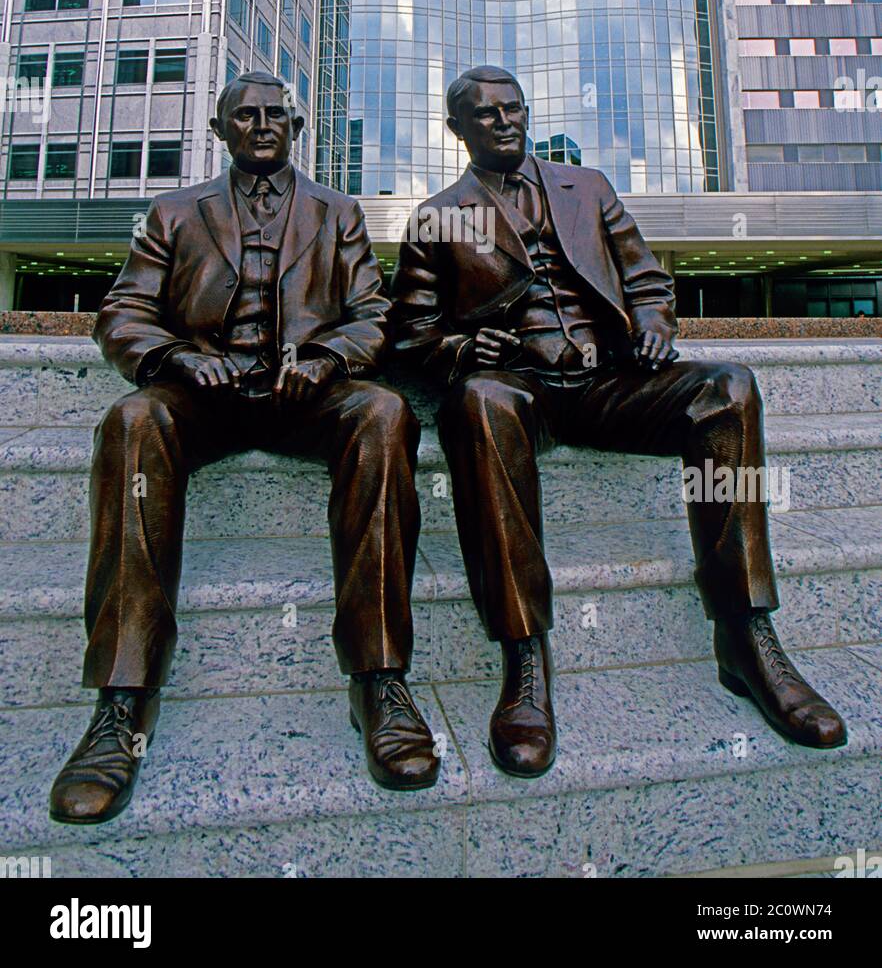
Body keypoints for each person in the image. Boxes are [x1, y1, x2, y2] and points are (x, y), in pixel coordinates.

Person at [391, 65, 846, 778]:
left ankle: (746, 635)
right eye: (486, 115)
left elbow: (644, 278)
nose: (506, 122)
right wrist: (455, 346)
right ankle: (523, 658)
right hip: (521, 389)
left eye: (515, 109)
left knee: (727, 387)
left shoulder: (588, 187)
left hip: (610, 380)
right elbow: (409, 331)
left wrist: (655, 322)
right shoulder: (436, 217)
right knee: (482, 403)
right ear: (457, 130)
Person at [50, 70, 439, 824]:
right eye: (246, 116)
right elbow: (122, 311)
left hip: (306, 398)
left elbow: (372, 314)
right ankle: (121, 705)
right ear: (220, 129)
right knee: (132, 421)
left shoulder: (337, 213)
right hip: (205, 397)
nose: (263, 126)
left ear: (296, 128)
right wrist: (173, 358)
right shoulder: (171, 213)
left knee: (385, 412)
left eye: (277, 116)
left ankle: (381, 679)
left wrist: (328, 359)